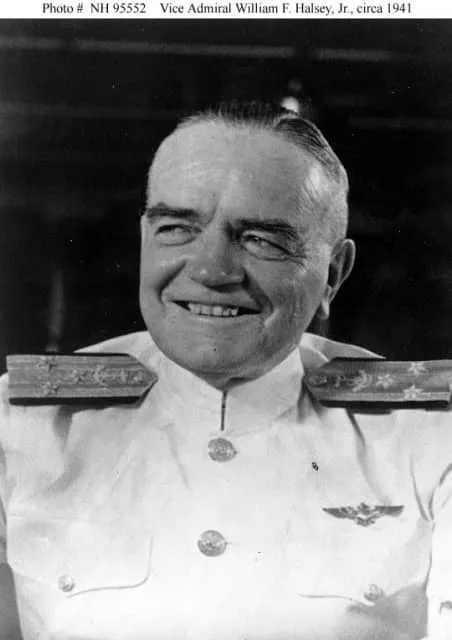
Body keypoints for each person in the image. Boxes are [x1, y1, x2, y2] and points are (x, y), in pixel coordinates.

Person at [0, 101, 451, 640]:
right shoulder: (19, 426)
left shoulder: (428, 438)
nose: (211, 270)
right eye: (176, 228)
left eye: (261, 240)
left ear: (333, 273)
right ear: (144, 238)